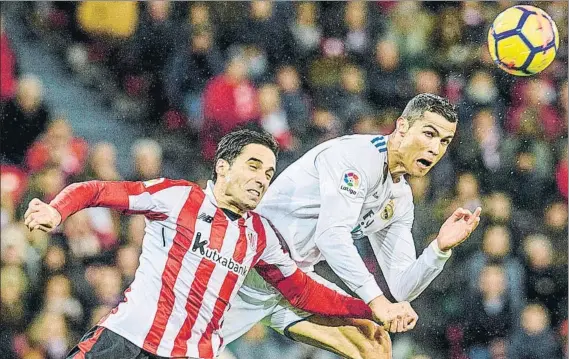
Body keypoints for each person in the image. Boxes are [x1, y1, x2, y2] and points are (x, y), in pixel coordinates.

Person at [23, 129, 417, 359]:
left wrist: (372, 308)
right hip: (126, 339)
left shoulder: (259, 236)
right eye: (253, 166)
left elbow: (303, 290)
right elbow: (97, 190)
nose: (263, 178)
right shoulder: (177, 197)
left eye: (268, 173)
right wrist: (57, 211)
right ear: (222, 167)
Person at [219, 94, 482, 359]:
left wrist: (439, 249)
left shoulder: (399, 199)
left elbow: (402, 287)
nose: (435, 148)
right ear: (402, 126)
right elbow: (331, 237)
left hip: (294, 280)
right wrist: (376, 302)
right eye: (429, 133)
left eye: (444, 141)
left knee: (374, 343)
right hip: (251, 267)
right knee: (184, 346)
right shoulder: (356, 157)